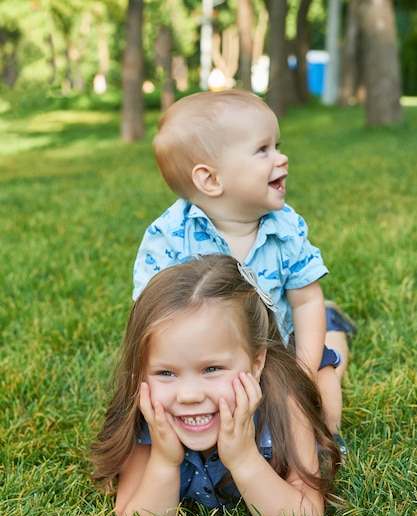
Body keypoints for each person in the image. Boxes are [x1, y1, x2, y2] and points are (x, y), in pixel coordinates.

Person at [132, 89, 356, 450]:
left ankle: (327, 438)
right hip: (207, 364)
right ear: (211, 180)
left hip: (279, 348)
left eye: (277, 146)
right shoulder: (170, 237)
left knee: (324, 380)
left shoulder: (285, 228)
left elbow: (306, 302)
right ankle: (336, 328)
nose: (281, 159)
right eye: (262, 150)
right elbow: (150, 317)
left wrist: (305, 368)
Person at [92, 255, 340, 516]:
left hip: (293, 380)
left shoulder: (286, 401)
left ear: (257, 364)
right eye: (166, 373)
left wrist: (244, 458)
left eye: (211, 369)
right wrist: (164, 460)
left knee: (323, 382)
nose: (189, 395)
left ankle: (333, 327)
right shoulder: (148, 414)